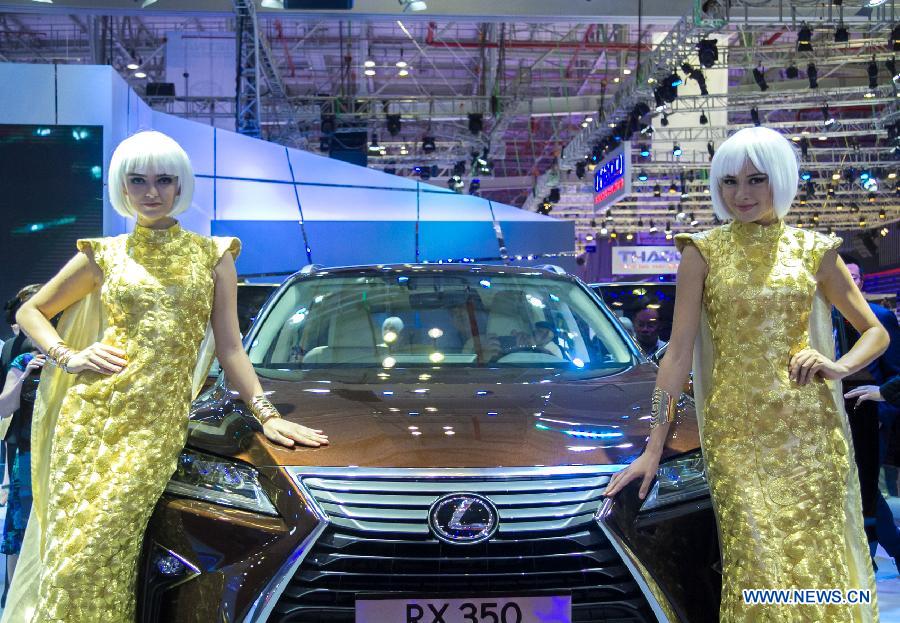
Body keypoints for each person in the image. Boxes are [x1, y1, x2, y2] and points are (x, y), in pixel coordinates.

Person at [1, 130, 329, 623]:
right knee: (72, 556)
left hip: (152, 430)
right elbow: (32, 312)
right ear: (122, 187)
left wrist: (265, 413)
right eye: (137, 180)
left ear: (181, 186)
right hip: (89, 421)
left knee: (99, 550)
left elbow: (231, 346)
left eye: (163, 180)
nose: (150, 191)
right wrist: (68, 356)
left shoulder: (212, 255)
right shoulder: (103, 254)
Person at [604, 126, 887, 621]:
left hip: (810, 436)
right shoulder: (702, 251)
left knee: (816, 563)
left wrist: (839, 366)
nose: (742, 194)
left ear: (780, 179)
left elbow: (874, 331)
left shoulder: (813, 251)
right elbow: (677, 355)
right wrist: (653, 447)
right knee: (755, 564)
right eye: (730, 182)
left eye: (756, 180)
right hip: (737, 438)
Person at [0, 338, 44, 586]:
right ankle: (14, 592)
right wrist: (25, 375)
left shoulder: (75, 361)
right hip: (28, 456)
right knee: (20, 527)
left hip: (63, 457)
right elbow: (4, 408)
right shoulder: (24, 361)